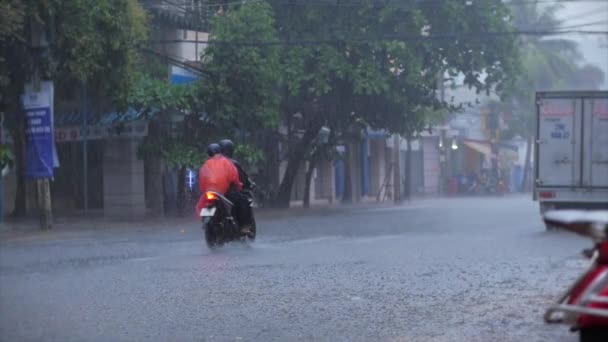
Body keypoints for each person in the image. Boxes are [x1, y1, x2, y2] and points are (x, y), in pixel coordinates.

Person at [195, 143, 243, 224]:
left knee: (203, 205)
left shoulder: (205, 165)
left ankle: (205, 219)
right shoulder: (227, 162)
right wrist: (239, 186)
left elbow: (202, 181)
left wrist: (204, 191)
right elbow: (234, 177)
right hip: (223, 192)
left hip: (209, 193)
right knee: (238, 203)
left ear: (209, 153)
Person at [218, 139, 254, 233]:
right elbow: (243, 178)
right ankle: (244, 227)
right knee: (244, 202)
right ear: (230, 150)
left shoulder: (212, 162)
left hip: (215, 192)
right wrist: (247, 184)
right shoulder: (233, 163)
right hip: (229, 193)